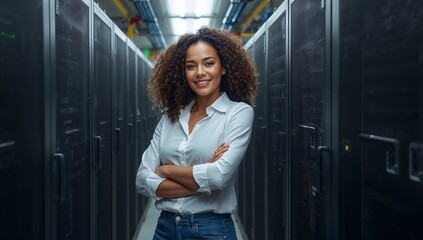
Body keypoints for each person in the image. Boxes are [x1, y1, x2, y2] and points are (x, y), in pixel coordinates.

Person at [136, 26, 257, 240]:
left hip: (211, 230)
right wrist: (202, 179)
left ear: (223, 68)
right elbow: (143, 179)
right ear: (184, 72)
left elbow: (219, 177)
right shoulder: (171, 117)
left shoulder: (238, 113)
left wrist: (166, 169)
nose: (200, 72)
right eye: (191, 66)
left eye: (208, 63)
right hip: (165, 228)